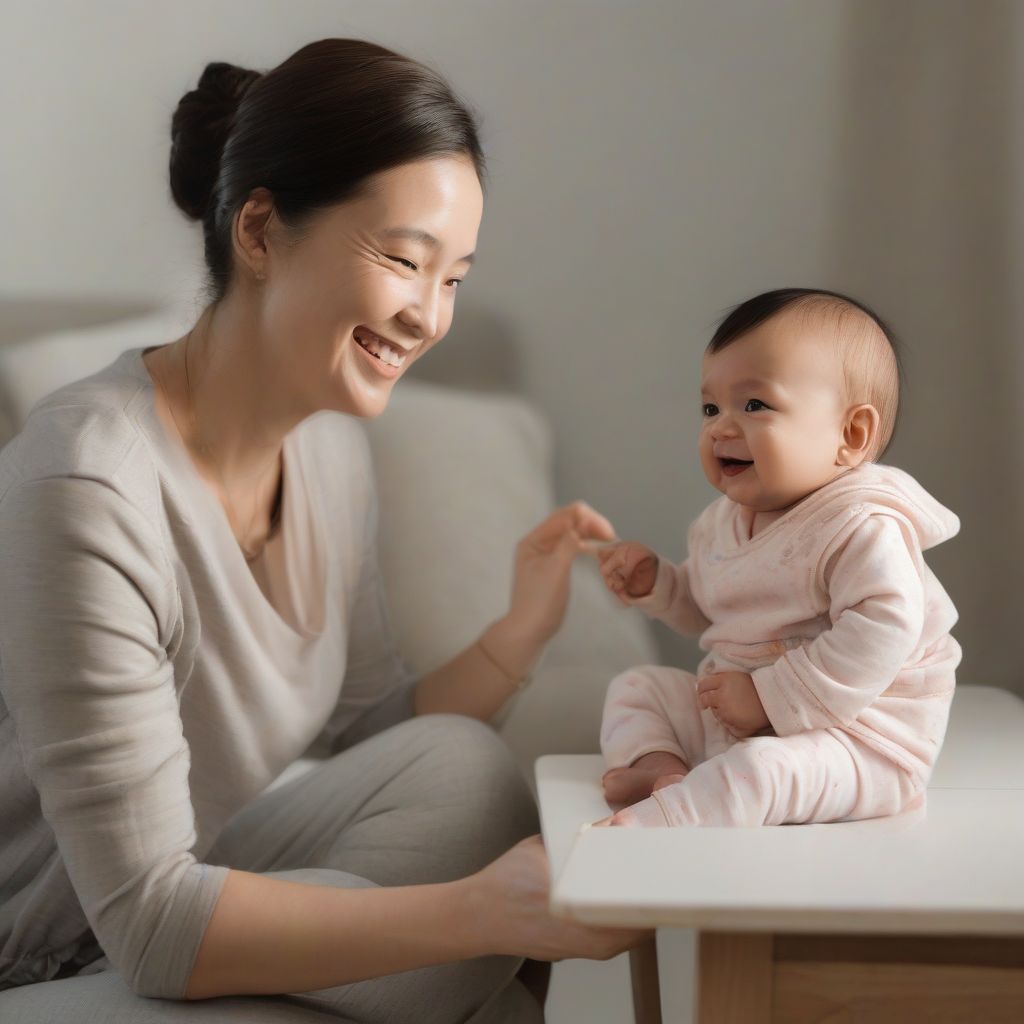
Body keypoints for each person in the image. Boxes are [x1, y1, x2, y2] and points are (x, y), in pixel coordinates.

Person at [0, 38, 646, 1021]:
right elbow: (150, 921)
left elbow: (366, 735)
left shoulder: (329, 448)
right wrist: (478, 916)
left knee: (466, 774)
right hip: (55, 953)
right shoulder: (88, 485)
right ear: (258, 229)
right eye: (403, 259)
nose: (429, 316)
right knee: (478, 978)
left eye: (455, 278)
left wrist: (518, 632)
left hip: (192, 884)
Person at [594, 288, 961, 828]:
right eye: (710, 407)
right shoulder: (721, 522)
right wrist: (663, 585)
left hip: (858, 740)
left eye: (755, 405)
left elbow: (886, 623)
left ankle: (673, 819)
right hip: (746, 713)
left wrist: (769, 698)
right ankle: (662, 768)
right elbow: (714, 608)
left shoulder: (859, 524)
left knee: (763, 770)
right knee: (638, 688)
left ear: (851, 435)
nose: (720, 426)